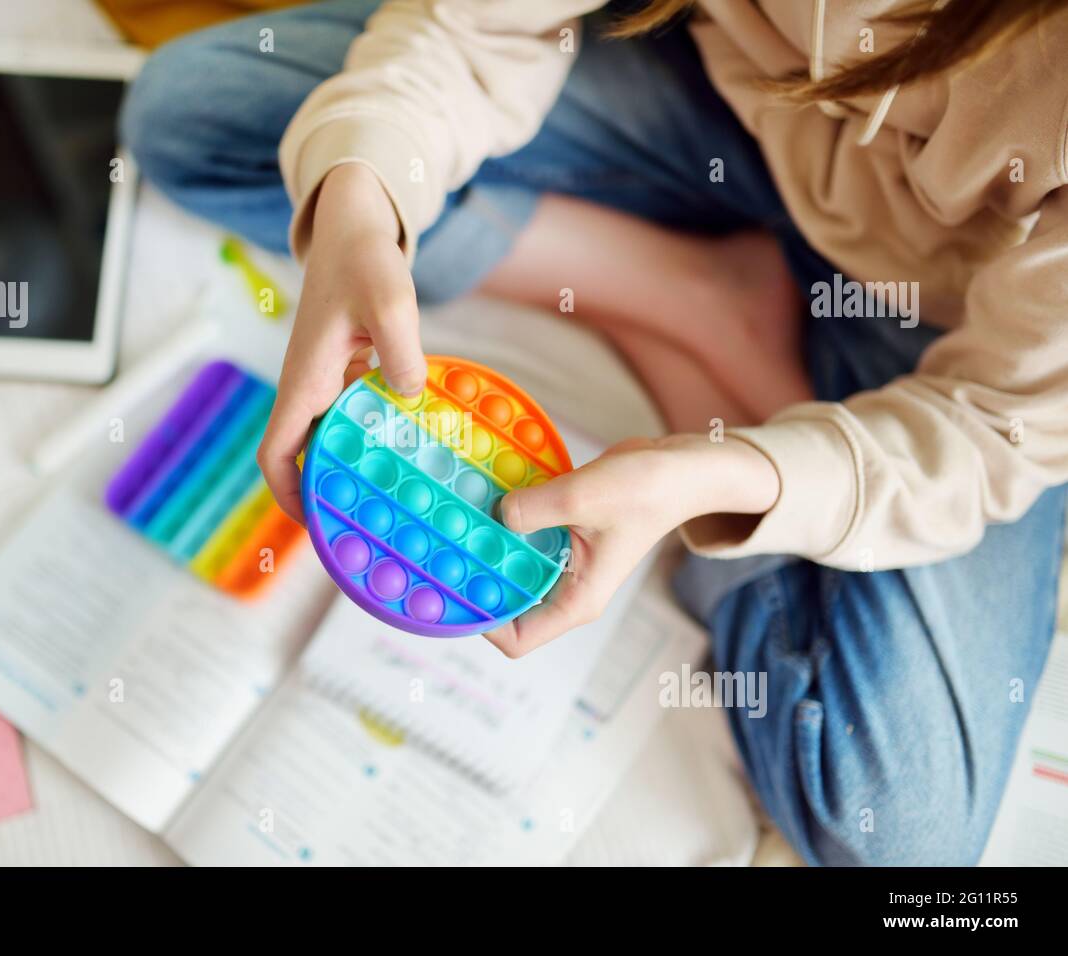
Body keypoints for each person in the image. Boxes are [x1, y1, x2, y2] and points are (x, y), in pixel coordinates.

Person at [119, 0, 1068, 864]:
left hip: (957, 319)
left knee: (898, 833)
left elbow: (995, 427)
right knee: (194, 110)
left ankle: (714, 350)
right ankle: (687, 296)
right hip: (717, 108)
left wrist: (734, 475)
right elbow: (473, 27)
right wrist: (364, 205)